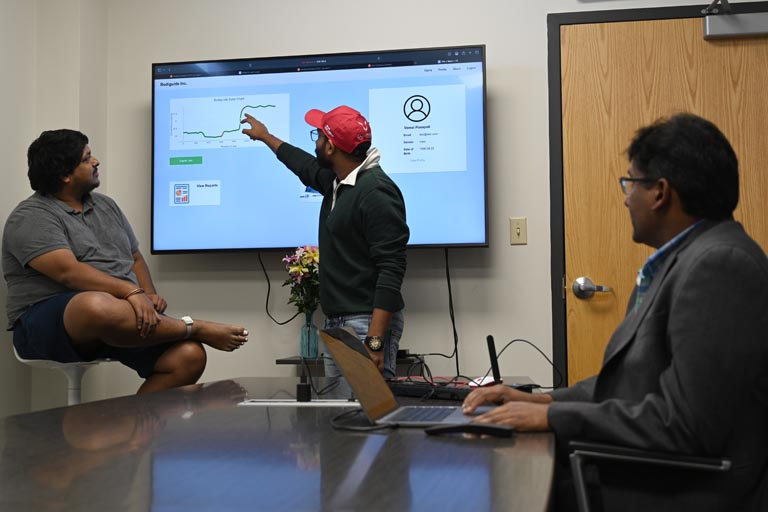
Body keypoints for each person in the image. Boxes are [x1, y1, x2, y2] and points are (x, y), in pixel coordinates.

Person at [462, 113, 768, 510]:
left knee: (498, 484)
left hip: (688, 490)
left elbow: (684, 425)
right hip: (659, 473)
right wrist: (546, 402)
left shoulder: (719, 265)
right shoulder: (687, 259)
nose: (626, 196)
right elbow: (634, 383)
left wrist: (556, 421)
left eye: (630, 183)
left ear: (660, 193)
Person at [2, 129, 249, 394]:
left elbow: (134, 257)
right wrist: (132, 291)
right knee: (96, 304)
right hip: (46, 325)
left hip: (118, 318)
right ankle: (194, 327)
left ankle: (132, 432)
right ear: (65, 175)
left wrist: (149, 294)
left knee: (188, 356)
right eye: (86, 159)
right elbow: (68, 273)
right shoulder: (30, 216)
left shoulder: (106, 205)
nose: (96, 161)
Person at [240, 106, 408, 379]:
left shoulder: (375, 191)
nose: (315, 143)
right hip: (341, 322)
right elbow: (304, 165)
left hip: (364, 323)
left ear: (330, 147)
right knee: (342, 413)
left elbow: (392, 268)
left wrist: (375, 342)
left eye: (317, 136)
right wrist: (266, 137)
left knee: (369, 413)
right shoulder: (339, 182)